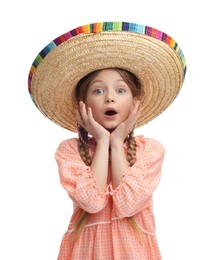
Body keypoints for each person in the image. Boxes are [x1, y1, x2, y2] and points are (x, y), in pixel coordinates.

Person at [28, 22, 186, 259]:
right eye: (98, 91)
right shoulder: (69, 150)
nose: (110, 98)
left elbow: (127, 204)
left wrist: (118, 141)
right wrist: (102, 141)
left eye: (120, 90)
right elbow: (91, 202)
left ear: (135, 103)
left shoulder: (150, 150)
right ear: (82, 104)